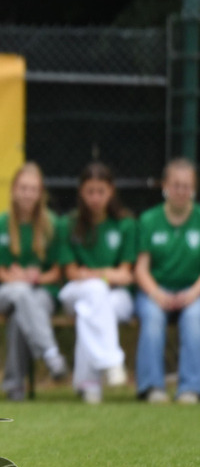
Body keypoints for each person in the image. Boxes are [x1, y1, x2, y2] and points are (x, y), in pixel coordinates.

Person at [0, 162, 67, 400]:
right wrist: (17, 278)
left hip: (42, 293)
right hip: (5, 293)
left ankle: (14, 385)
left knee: (22, 313)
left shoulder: (52, 225)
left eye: (33, 189)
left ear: (40, 193)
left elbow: (57, 273)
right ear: (13, 190)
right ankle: (50, 353)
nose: (28, 194)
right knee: (19, 293)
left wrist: (35, 277)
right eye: (23, 188)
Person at [55, 162, 135, 404]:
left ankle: (88, 384)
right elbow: (70, 272)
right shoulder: (67, 223)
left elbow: (126, 275)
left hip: (118, 297)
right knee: (95, 292)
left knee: (89, 310)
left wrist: (93, 273)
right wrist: (105, 274)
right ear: (81, 192)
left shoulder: (126, 224)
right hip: (74, 292)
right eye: (90, 191)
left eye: (101, 191)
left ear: (111, 191)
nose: (95, 198)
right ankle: (111, 362)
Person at [134, 158, 200, 405]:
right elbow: (141, 268)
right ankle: (152, 387)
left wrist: (194, 293)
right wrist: (157, 294)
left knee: (195, 318)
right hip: (156, 290)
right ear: (165, 186)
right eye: (176, 184)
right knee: (152, 317)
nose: (181, 190)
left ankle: (190, 388)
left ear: (193, 188)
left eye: (186, 185)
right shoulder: (149, 220)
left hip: (194, 291)